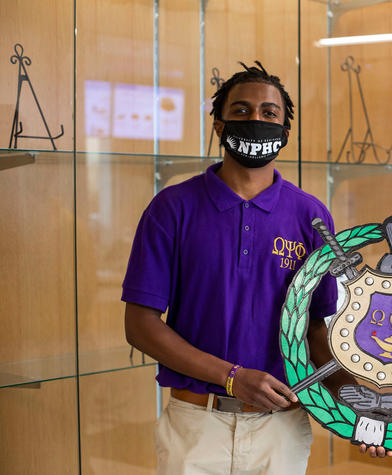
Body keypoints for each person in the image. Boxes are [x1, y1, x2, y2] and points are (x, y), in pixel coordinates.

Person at [123, 61, 358, 475]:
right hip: (195, 425)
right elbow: (140, 324)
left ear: (285, 132)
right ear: (218, 125)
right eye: (241, 110)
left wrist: (360, 409)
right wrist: (232, 377)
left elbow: (315, 329)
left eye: (269, 113)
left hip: (281, 429)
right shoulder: (172, 208)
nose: (255, 119)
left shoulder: (311, 217)